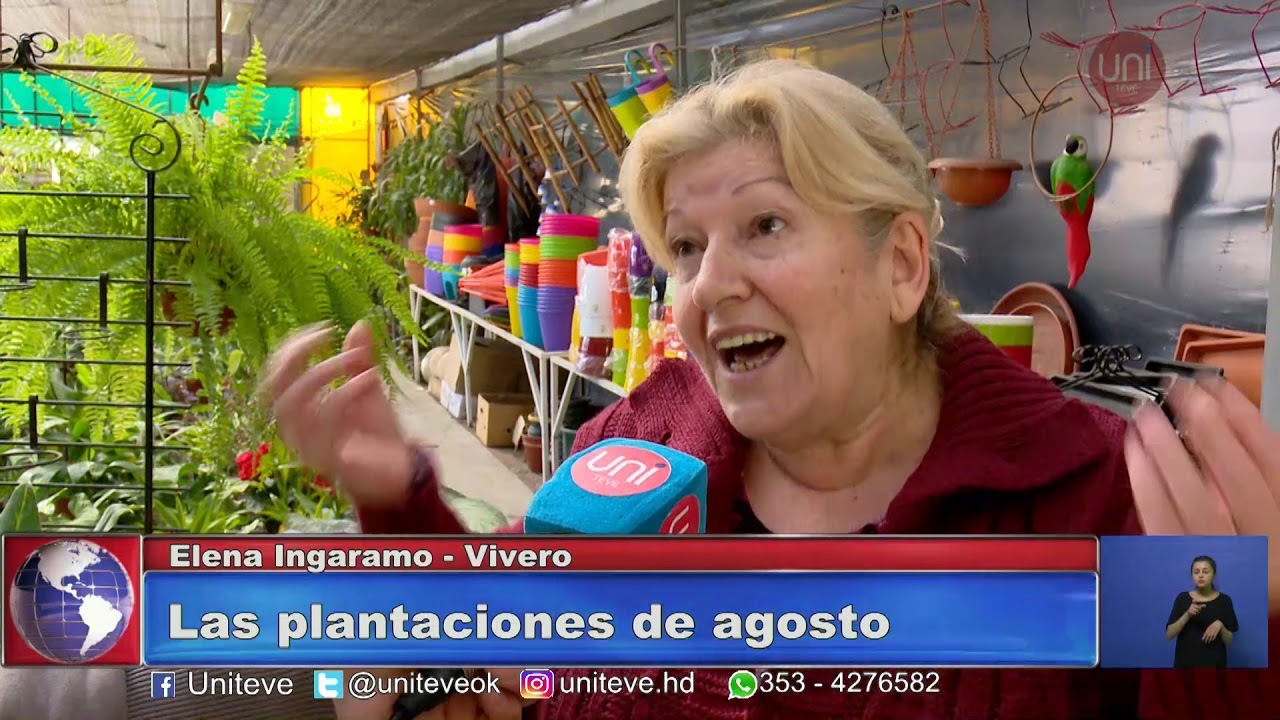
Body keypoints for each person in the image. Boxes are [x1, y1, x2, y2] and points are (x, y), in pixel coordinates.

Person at [260, 59, 1280, 720]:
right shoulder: (632, 446)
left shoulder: (1104, 510)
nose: (709, 284)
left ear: (900, 267)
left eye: (765, 226)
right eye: (686, 248)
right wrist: (404, 510)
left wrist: (1250, 645)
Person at [1165, 555, 1240, 668]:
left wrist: (1220, 625)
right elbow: (1169, 635)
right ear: (1192, 576)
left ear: (1214, 575)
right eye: (1196, 572)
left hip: (1215, 665)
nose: (1200, 575)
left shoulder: (1224, 601)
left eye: (1205, 571)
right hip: (1185, 666)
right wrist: (1188, 614)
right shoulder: (1182, 598)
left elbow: (1228, 641)